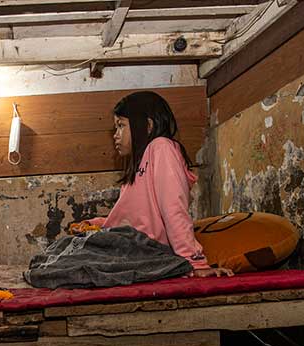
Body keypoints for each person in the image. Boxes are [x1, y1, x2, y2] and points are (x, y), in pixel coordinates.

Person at [78, 91, 234, 278]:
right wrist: (98, 224)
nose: (116, 136)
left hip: (146, 250)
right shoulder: (139, 164)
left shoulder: (161, 147)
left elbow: (173, 209)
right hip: (131, 244)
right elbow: (136, 219)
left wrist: (195, 262)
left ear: (148, 125)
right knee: (61, 254)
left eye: (121, 126)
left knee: (65, 263)